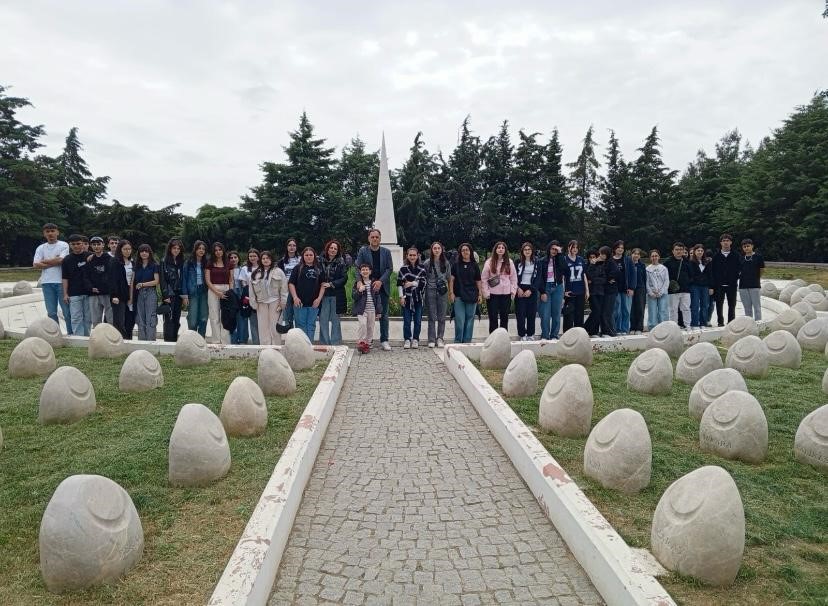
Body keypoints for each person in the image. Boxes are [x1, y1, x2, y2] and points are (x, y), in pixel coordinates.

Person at [355, 229, 394, 350]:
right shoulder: (363, 251)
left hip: (382, 287)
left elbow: (389, 268)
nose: (375, 239)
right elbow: (357, 267)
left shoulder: (386, 252)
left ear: (380, 238)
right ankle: (367, 341)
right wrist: (359, 281)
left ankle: (384, 340)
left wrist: (380, 281)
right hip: (367, 288)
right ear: (369, 238)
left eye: (377, 237)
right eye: (372, 237)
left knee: (384, 315)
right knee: (367, 316)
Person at [33, 222, 72, 334]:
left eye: (52, 231)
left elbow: (62, 260)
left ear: (57, 232)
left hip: (61, 282)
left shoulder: (64, 245)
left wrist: (44, 261)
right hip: (46, 283)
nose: (50, 233)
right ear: (44, 234)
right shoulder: (41, 248)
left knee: (66, 311)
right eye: (47, 231)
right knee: (51, 312)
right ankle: (55, 334)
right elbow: (35, 264)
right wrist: (55, 260)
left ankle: (71, 333)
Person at [249, 250, 287, 345]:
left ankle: (276, 348)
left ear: (271, 259)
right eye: (263, 258)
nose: (265, 260)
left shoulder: (279, 272)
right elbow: (251, 291)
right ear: (260, 260)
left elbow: (284, 289)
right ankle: (265, 349)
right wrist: (254, 304)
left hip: (275, 302)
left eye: (267, 258)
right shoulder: (255, 273)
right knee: (263, 328)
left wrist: (282, 304)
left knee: (275, 327)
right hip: (261, 303)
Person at [288, 247, 324, 342]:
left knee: (311, 325)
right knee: (300, 325)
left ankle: (309, 346)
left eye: (311, 255)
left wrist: (319, 299)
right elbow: (291, 283)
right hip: (300, 303)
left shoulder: (319, 268)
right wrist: (295, 297)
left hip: (314, 303)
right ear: (303, 256)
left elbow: (323, 285)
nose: (309, 257)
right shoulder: (297, 268)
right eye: (306, 255)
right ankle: (301, 346)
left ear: (314, 256)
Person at [481, 241, 517, 333]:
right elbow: (484, 279)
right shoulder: (489, 262)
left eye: (502, 248)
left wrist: (513, 291)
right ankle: (493, 338)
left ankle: (503, 338)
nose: (500, 249)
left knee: (504, 318)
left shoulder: (510, 262)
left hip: (506, 294)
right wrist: (486, 292)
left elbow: (513, 278)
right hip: (492, 294)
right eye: (499, 247)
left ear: (505, 250)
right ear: (495, 249)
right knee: (493, 318)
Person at [449, 243, 482, 344]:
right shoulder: (455, 265)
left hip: (472, 296)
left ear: (470, 252)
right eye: (463, 250)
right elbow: (451, 280)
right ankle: (458, 341)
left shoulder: (475, 265)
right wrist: (451, 293)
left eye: (467, 250)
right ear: (460, 252)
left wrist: (480, 294)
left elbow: (478, 281)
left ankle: (467, 341)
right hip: (458, 296)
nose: (465, 252)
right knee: (459, 320)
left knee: (470, 320)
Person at [318, 240, 347, 345]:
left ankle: (336, 343)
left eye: (335, 248)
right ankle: (324, 343)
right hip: (323, 295)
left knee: (336, 321)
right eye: (331, 248)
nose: (333, 250)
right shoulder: (319, 261)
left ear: (338, 251)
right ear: (327, 248)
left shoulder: (341, 262)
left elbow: (344, 278)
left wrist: (331, 284)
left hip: (336, 295)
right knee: (323, 320)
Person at [61, 234, 91, 336]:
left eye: (78, 243)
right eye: (73, 244)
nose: (76, 246)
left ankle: (87, 338)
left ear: (83, 244)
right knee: (76, 317)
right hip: (74, 293)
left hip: (89, 292)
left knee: (88, 317)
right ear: (70, 245)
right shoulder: (67, 259)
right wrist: (65, 294)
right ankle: (79, 338)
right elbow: (65, 278)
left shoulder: (90, 256)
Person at [537, 240, 567, 340]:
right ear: (549, 249)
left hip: (557, 287)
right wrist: (542, 292)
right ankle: (545, 335)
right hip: (546, 288)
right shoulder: (542, 261)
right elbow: (539, 277)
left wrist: (560, 253)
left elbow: (565, 269)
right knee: (545, 314)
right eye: (552, 249)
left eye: (556, 249)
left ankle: (554, 335)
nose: (554, 251)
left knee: (556, 313)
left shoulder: (560, 260)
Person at [397, 246, 426, 349]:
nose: (412, 257)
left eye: (414, 255)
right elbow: (400, 284)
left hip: (418, 298)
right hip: (406, 298)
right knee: (407, 321)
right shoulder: (403, 269)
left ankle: (415, 339)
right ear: (407, 256)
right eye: (410, 255)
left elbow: (423, 283)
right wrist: (401, 297)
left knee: (418, 321)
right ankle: (407, 339)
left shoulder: (422, 268)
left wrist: (411, 283)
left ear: (417, 256)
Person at [423, 241, 451, 348]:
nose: (437, 250)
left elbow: (449, 279)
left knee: (442, 316)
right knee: (431, 316)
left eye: (438, 248)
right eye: (435, 248)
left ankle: (440, 338)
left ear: (441, 249)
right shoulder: (426, 263)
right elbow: (423, 278)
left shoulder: (446, 263)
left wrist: (450, 292)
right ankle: (431, 339)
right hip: (430, 290)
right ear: (432, 250)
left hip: (442, 291)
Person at [205, 241, 233, 344]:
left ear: (223, 250)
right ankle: (216, 341)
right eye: (216, 250)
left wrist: (230, 292)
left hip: (226, 289)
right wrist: (217, 292)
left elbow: (231, 280)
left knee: (225, 316)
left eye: (220, 249)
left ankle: (225, 341)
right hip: (213, 290)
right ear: (213, 252)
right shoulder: (210, 263)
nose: (218, 252)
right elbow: (207, 281)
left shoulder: (228, 263)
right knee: (214, 316)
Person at [84, 236, 114, 327]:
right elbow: (86, 276)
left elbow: (111, 276)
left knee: (111, 319)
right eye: (94, 244)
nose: (96, 246)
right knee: (95, 320)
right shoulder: (89, 259)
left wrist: (104, 288)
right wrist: (91, 288)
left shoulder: (109, 259)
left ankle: (111, 337)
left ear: (103, 245)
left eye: (98, 244)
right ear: (91, 246)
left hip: (107, 293)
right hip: (93, 293)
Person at [711, 233, 740, 326]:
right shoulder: (716, 256)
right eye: (724, 241)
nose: (725, 242)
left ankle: (731, 322)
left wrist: (735, 277)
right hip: (719, 285)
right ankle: (720, 322)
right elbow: (713, 271)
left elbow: (740, 268)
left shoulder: (736, 255)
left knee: (732, 305)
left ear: (731, 242)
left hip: (732, 285)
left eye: (727, 240)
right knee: (719, 305)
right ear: (720, 243)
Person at [160, 238, 185, 342]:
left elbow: (183, 278)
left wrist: (184, 295)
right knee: (168, 319)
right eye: (174, 248)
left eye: (178, 248)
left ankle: (174, 340)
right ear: (170, 249)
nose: (176, 250)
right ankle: (168, 341)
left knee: (176, 318)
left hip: (179, 294)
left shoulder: (181, 262)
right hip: (169, 294)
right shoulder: (164, 261)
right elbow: (162, 280)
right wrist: (165, 295)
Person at [353, 263, 382, 353]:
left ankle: (368, 343)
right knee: (362, 325)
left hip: (372, 310)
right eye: (363, 270)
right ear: (360, 272)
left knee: (370, 327)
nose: (365, 271)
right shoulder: (357, 284)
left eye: (367, 270)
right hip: (362, 310)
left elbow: (378, 298)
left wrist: (379, 311)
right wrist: (359, 291)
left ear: (370, 272)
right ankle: (361, 342)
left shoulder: (374, 283)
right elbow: (354, 296)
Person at [133, 244, 160, 341]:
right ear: (139, 253)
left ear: (149, 253)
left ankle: (151, 341)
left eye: (146, 251)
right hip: (139, 293)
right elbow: (133, 281)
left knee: (151, 318)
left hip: (150, 293)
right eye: (142, 251)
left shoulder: (154, 265)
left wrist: (143, 284)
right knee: (140, 318)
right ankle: (142, 342)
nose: (144, 253)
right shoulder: (137, 265)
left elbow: (156, 281)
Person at [182, 240, 209, 337]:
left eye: (203, 249)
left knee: (204, 318)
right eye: (199, 248)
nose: (201, 250)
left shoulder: (206, 263)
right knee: (192, 319)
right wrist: (185, 296)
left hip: (204, 291)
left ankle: (201, 340)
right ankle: (192, 340)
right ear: (195, 250)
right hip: (192, 292)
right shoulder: (188, 263)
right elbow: (184, 279)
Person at [514, 242, 540, 341]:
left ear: (532, 251)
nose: (527, 251)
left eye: (529, 249)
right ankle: (522, 334)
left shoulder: (537, 262)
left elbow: (538, 278)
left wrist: (531, 290)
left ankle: (530, 334)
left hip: (531, 289)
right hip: (520, 289)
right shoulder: (517, 262)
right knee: (520, 313)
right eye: (525, 249)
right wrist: (517, 288)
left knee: (531, 313)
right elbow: (513, 276)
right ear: (522, 251)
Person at [110, 239, 135, 339]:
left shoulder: (133, 262)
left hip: (131, 293)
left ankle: (129, 340)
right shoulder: (115, 261)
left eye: (129, 249)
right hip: (119, 295)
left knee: (130, 320)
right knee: (119, 321)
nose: (127, 251)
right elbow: (112, 279)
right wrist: (114, 295)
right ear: (120, 250)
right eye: (125, 249)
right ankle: (121, 341)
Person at [611, 241, 637, 335]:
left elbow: (633, 274)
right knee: (616, 310)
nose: (620, 249)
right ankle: (617, 329)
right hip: (614, 289)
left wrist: (631, 288)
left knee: (625, 309)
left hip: (626, 289)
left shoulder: (627, 260)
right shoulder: (611, 260)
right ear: (614, 249)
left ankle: (625, 329)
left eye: (622, 248)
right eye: (618, 247)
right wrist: (609, 280)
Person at [664, 242, 692, 328]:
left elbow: (691, 275)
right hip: (672, 290)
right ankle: (674, 327)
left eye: (680, 249)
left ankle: (687, 325)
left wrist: (687, 283)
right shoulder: (667, 262)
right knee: (673, 309)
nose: (679, 251)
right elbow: (664, 276)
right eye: (676, 249)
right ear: (673, 251)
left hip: (685, 289)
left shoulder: (687, 262)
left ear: (683, 251)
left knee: (686, 308)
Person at [562, 240, 589, 331]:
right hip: (570, 292)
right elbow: (562, 277)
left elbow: (584, 275)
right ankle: (568, 335)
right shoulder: (564, 259)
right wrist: (563, 292)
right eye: (573, 247)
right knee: (569, 315)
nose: (575, 249)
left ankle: (579, 335)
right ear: (568, 247)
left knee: (579, 315)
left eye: (577, 248)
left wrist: (587, 290)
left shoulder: (581, 259)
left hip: (580, 290)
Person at [688, 244, 713, 331]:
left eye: (701, 251)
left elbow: (710, 275)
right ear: (694, 252)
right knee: (695, 305)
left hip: (705, 287)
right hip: (695, 286)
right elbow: (690, 275)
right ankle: (694, 323)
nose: (700, 252)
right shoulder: (691, 262)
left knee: (705, 305)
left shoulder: (707, 262)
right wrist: (696, 280)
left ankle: (703, 323)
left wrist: (711, 287)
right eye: (698, 250)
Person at [277, 238, 301, 329]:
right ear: (287, 247)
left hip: (297, 290)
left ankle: (299, 336)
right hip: (285, 290)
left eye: (294, 245)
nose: (292, 247)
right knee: (287, 315)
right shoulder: (281, 261)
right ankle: (290, 335)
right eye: (290, 245)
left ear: (296, 247)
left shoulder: (301, 260)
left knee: (298, 315)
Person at [739, 238, 765, 320]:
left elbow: (762, 270)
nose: (746, 248)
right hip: (743, 286)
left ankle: (758, 324)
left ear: (752, 246)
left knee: (757, 307)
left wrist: (756, 278)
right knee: (747, 308)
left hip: (754, 285)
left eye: (748, 246)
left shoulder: (758, 257)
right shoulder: (741, 258)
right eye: (744, 246)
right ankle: (749, 325)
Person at [584, 249, 606, 337]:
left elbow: (604, 279)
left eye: (594, 257)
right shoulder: (587, 267)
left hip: (600, 291)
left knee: (599, 312)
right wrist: (592, 265)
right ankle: (585, 328)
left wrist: (593, 280)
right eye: (591, 257)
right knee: (596, 311)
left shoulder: (601, 266)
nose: (592, 259)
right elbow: (588, 276)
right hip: (592, 292)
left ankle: (594, 331)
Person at [229, 250, 249, 345]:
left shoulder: (243, 269)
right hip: (231, 294)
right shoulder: (227, 269)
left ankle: (242, 339)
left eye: (235, 257)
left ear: (238, 258)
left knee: (242, 317)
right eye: (231, 258)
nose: (233, 259)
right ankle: (233, 340)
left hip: (241, 294)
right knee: (232, 317)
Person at [646, 249, 670, 330]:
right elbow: (646, 282)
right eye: (652, 256)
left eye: (656, 256)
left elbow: (666, 281)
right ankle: (652, 328)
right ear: (650, 258)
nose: (654, 257)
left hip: (662, 293)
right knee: (652, 311)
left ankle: (664, 327)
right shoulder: (647, 269)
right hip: (651, 294)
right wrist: (650, 292)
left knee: (663, 311)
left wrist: (661, 291)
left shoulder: (664, 268)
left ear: (659, 257)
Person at [243, 249, 261, 345]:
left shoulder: (263, 268)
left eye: (254, 256)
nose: (252, 258)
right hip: (250, 298)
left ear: (258, 257)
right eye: (250, 256)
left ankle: (264, 343)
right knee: (253, 322)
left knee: (262, 322)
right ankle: (256, 343)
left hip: (262, 298)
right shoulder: (245, 269)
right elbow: (243, 284)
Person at [628, 248, 647, 334]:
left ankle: (639, 328)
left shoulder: (642, 265)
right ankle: (632, 327)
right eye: (634, 253)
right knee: (631, 309)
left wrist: (645, 289)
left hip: (640, 288)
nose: (636, 255)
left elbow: (644, 278)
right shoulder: (628, 264)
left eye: (638, 254)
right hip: (630, 289)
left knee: (640, 308)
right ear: (631, 254)